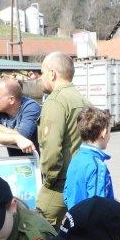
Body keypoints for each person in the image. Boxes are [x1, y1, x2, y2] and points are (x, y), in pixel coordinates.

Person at [36, 52, 86, 226]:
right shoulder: (81, 99)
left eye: (42, 73)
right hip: (78, 177)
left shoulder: (55, 101)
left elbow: (51, 147)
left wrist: (49, 180)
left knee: (39, 227)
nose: (41, 78)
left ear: (52, 73)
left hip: (59, 182)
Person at [63, 107, 114, 209]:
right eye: (109, 131)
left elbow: (66, 195)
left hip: (75, 218)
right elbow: (98, 205)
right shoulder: (97, 166)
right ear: (103, 133)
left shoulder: (76, 158)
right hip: (90, 223)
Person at [0, 77, 40, 156]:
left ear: (11, 99)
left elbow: (23, 136)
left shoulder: (30, 107)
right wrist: (16, 138)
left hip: (36, 160)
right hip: (14, 161)